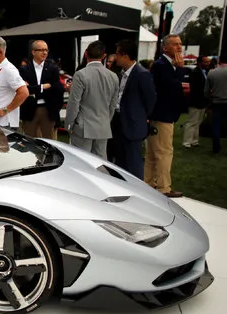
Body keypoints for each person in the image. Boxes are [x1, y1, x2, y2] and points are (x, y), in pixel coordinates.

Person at [65, 40, 119, 159]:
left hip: (83, 126)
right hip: (102, 125)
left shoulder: (80, 74)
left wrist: (69, 125)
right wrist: (106, 120)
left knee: (82, 162)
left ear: (86, 54)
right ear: (104, 56)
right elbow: (113, 105)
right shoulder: (113, 76)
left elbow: (74, 103)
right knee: (100, 162)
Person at [146, 34, 186, 197]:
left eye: (180, 44)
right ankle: (164, 187)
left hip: (163, 115)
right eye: (175, 44)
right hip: (162, 115)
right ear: (165, 47)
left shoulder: (166, 65)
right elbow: (171, 89)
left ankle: (149, 182)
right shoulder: (161, 65)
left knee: (154, 152)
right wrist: (180, 71)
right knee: (163, 152)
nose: (179, 47)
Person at [111, 39, 157, 179]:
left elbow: (150, 100)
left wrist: (139, 117)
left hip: (133, 126)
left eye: (117, 54)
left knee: (134, 163)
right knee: (120, 162)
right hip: (118, 123)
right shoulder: (121, 74)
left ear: (125, 55)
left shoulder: (142, 74)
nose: (115, 57)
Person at [19, 40, 64, 139]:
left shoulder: (53, 69)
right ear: (33, 52)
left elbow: (57, 89)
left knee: (49, 142)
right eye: (41, 50)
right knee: (29, 141)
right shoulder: (24, 69)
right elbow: (24, 89)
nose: (44, 53)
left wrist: (33, 90)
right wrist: (42, 87)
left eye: (46, 50)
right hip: (30, 110)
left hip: (48, 110)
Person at [204, 53, 227, 154]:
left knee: (216, 125)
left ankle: (216, 148)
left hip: (216, 102)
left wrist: (210, 98)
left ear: (219, 60)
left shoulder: (212, 73)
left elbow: (206, 91)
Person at [182, 55, 211, 148]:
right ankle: (186, 141)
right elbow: (195, 88)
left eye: (208, 62)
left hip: (203, 101)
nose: (207, 63)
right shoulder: (195, 72)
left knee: (198, 122)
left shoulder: (205, 72)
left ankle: (194, 140)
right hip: (195, 101)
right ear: (199, 62)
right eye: (205, 61)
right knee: (192, 122)